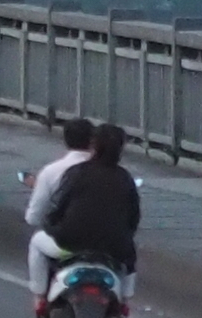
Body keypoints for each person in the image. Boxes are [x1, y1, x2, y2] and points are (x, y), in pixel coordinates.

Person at [29, 121, 141, 307]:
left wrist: (52, 223)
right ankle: (126, 301)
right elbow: (134, 217)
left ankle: (40, 296)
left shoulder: (77, 173)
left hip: (71, 243)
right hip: (113, 248)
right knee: (130, 255)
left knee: (37, 242)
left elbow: (59, 207)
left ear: (94, 145)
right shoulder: (125, 178)